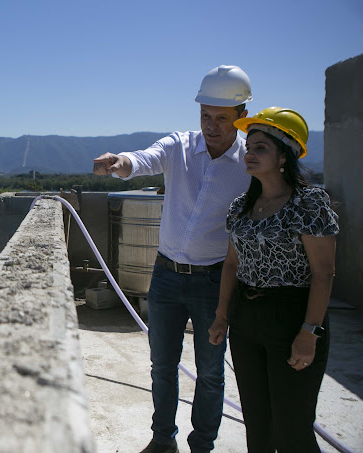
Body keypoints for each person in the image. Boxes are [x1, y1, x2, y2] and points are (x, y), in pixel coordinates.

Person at [93, 65, 253, 453]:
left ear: (242, 117)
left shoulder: (250, 165)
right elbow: (143, 158)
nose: (211, 126)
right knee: (162, 367)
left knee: (211, 373)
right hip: (165, 277)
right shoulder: (180, 146)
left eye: (221, 118)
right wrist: (120, 163)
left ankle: (202, 447)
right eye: (205, 116)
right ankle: (163, 441)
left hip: (214, 282)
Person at [208, 107, 338, 452]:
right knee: (258, 423)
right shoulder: (241, 206)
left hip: (293, 316)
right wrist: (222, 316)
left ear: (285, 156)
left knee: (291, 427)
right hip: (247, 318)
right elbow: (232, 265)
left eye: (261, 147)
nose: (249, 153)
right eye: (249, 146)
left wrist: (309, 332)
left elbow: (323, 273)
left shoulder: (309, 203)